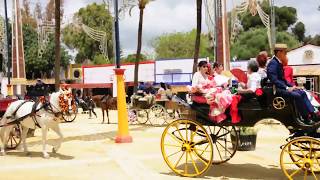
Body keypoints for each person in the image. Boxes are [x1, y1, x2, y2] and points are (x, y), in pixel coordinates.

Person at [267, 43, 319, 124]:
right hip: (277, 89)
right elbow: (274, 80)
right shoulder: (273, 63)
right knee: (297, 95)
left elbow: (283, 79)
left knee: (302, 93)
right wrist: (287, 88)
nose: (285, 54)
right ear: (279, 52)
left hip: (282, 87)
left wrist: (294, 86)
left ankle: (313, 115)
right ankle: (305, 119)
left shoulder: (278, 62)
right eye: (285, 52)